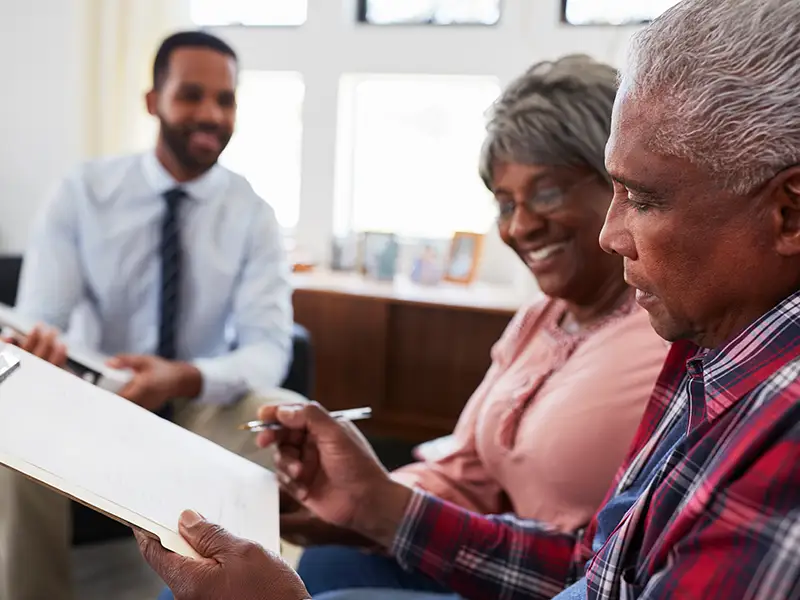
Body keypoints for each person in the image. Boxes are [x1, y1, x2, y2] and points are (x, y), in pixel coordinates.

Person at [138, 0, 800, 598]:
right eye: (504, 202)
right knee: (323, 568)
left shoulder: (736, 388)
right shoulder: (703, 352)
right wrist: (369, 503)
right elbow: (597, 570)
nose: (610, 235)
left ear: (789, 216)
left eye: (645, 198)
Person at [279, 54, 667, 597]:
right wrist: (344, 496)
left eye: (547, 192)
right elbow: (464, 470)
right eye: (505, 203)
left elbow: (607, 563)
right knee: (328, 556)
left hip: (557, 581)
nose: (521, 225)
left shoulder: (668, 331)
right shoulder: (539, 319)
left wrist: (381, 507)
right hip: (486, 553)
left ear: (619, 183)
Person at [0, 30, 295, 600]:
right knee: (7, 439)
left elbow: (269, 347)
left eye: (225, 99)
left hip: (194, 407)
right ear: (152, 101)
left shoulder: (253, 214)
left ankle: (265, 589)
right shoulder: (84, 192)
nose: (211, 114)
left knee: (283, 416)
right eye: (191, 95)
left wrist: (184, 377)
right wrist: (40, 352)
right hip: (91, 404)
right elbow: (42, 317)